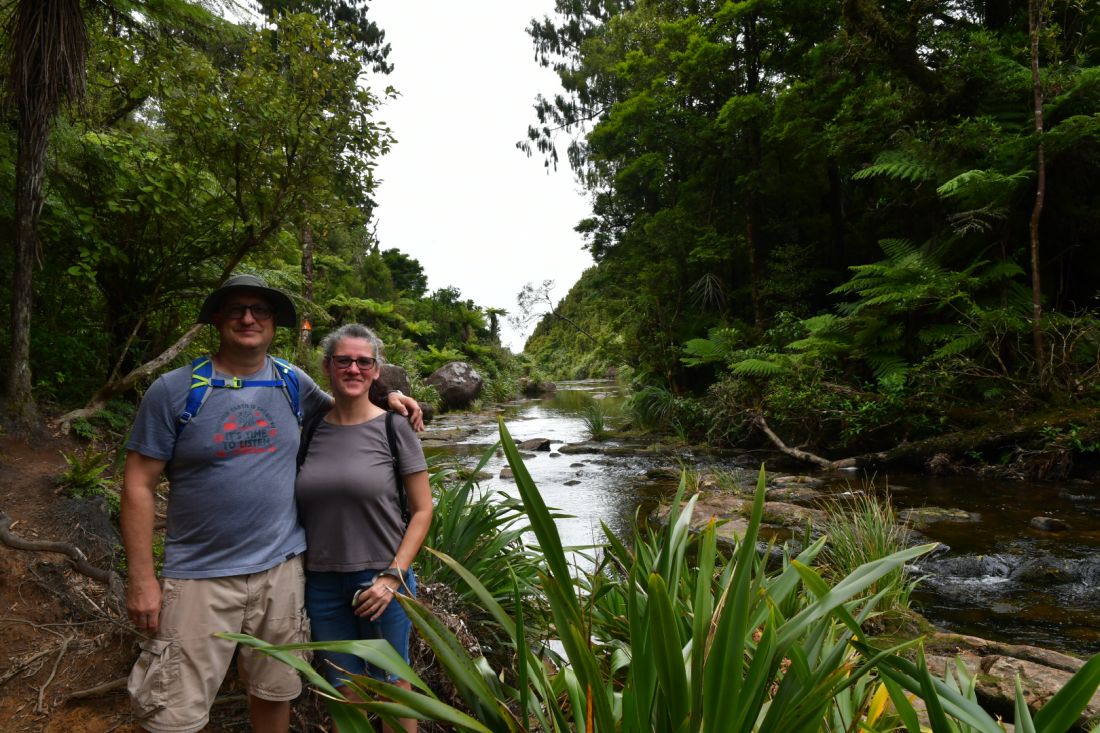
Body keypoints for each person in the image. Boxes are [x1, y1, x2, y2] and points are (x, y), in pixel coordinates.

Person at [121, 274, 422, 733]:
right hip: (199, 575)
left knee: (275, 692)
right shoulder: (175, 390)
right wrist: (142, 579)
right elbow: (138, 485)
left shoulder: (290, 382)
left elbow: (350, 399)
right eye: (237, 309)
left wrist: (389, 395)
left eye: (259, 310)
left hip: (281, 573)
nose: (248, 318)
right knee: (174, 713)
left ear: (274, 324)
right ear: (217, 319)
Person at [295, 323, 432, 733]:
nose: (353, 369)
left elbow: (423, 510)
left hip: (382, 579)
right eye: (344, 361)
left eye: (363, 362)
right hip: (321, 583)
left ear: (375, 371)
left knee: (395, 689)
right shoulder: (312, 427)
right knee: (344, 691)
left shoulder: (395, 427)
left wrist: (392, 577)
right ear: (327, 368)